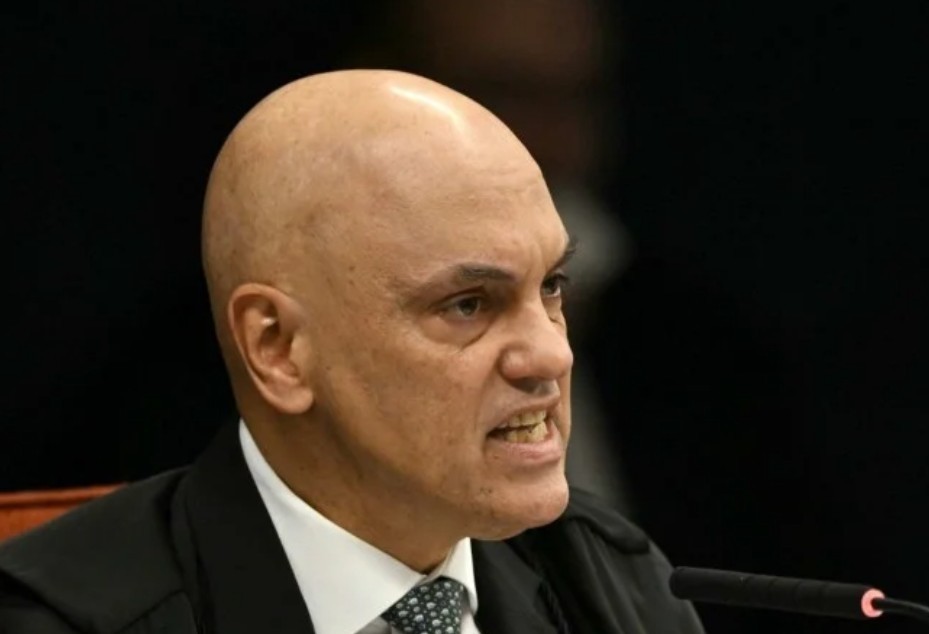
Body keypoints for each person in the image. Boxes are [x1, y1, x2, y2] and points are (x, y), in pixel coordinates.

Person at [0, 70, 703, 634]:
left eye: (550, 286)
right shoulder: (62, 620)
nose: (550, 356)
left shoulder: (613, 582)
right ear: (278, 348)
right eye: (468, 305)